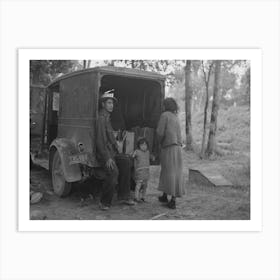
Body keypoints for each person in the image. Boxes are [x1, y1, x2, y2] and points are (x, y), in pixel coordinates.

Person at [96, 89, 135, 210]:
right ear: (103, 104)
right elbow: (100, 141)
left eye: (112, 103)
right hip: (104, 154)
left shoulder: (107, 117)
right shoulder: (101, 118)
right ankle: (104, 202)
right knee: (113, 172)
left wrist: (117, 148)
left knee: (126, 161)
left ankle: (123, 196)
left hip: (112, 152)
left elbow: (111, 137)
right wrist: (107, 158)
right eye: (108, 103)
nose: (111, 105)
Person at [156, 97, 185, 209]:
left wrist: (158, 143)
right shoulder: (175, 117)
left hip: (168, 148)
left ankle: (172, 200)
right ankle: (165, 195)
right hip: (177, 148)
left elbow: (160, 132)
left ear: (165, 106)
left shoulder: (164, 115)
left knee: (168, 173)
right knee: (174, 172)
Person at [132, 137, 152, 202]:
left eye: (145, 145)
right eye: (142, 145)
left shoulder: (148, 152)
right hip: (139, 172)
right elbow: (132, 156)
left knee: (145, 186)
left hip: (146, 172)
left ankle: (143, 197)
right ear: (139, 146)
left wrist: (153, 157)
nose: (144, 146)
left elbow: (151, 157)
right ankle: (136, 197)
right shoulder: (137, 151)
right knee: (138, 185)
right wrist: (132, 154)